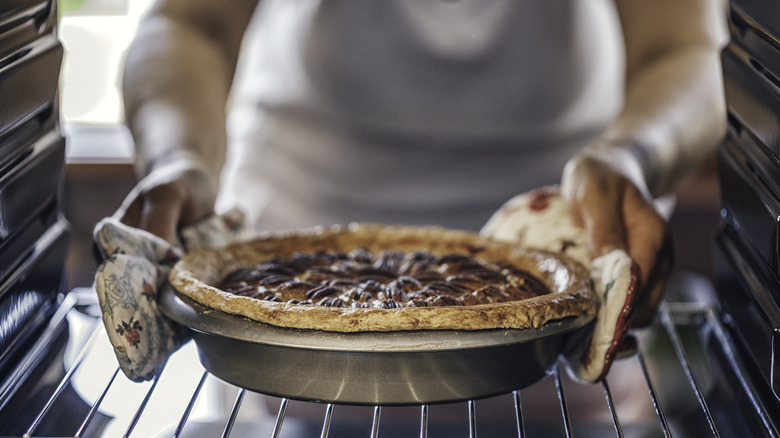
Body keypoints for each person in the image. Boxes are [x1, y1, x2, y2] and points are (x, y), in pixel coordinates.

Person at [115, 0, 727, 330]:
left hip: (561, 258)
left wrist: (630, 157)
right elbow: (190, 23)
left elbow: (683, 49)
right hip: (285, 257)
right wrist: (180, 157)